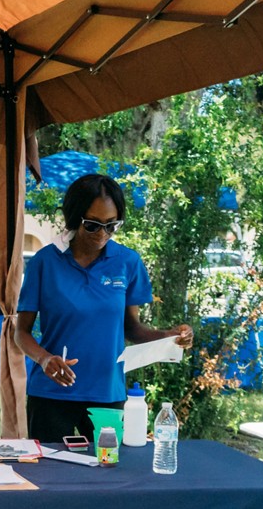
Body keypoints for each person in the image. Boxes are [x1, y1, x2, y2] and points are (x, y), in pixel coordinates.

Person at [14, 173, 193, 443]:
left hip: (107, 395)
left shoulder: (127, 262)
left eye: (111, 225)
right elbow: (21, 334)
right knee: (49, 479)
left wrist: (171, 336)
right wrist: (45, 359)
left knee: (108, 476)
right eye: (92, 225)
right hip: (51, 394)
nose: (102, 234)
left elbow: (132, 329)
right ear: (75, 218)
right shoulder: (45, 262)